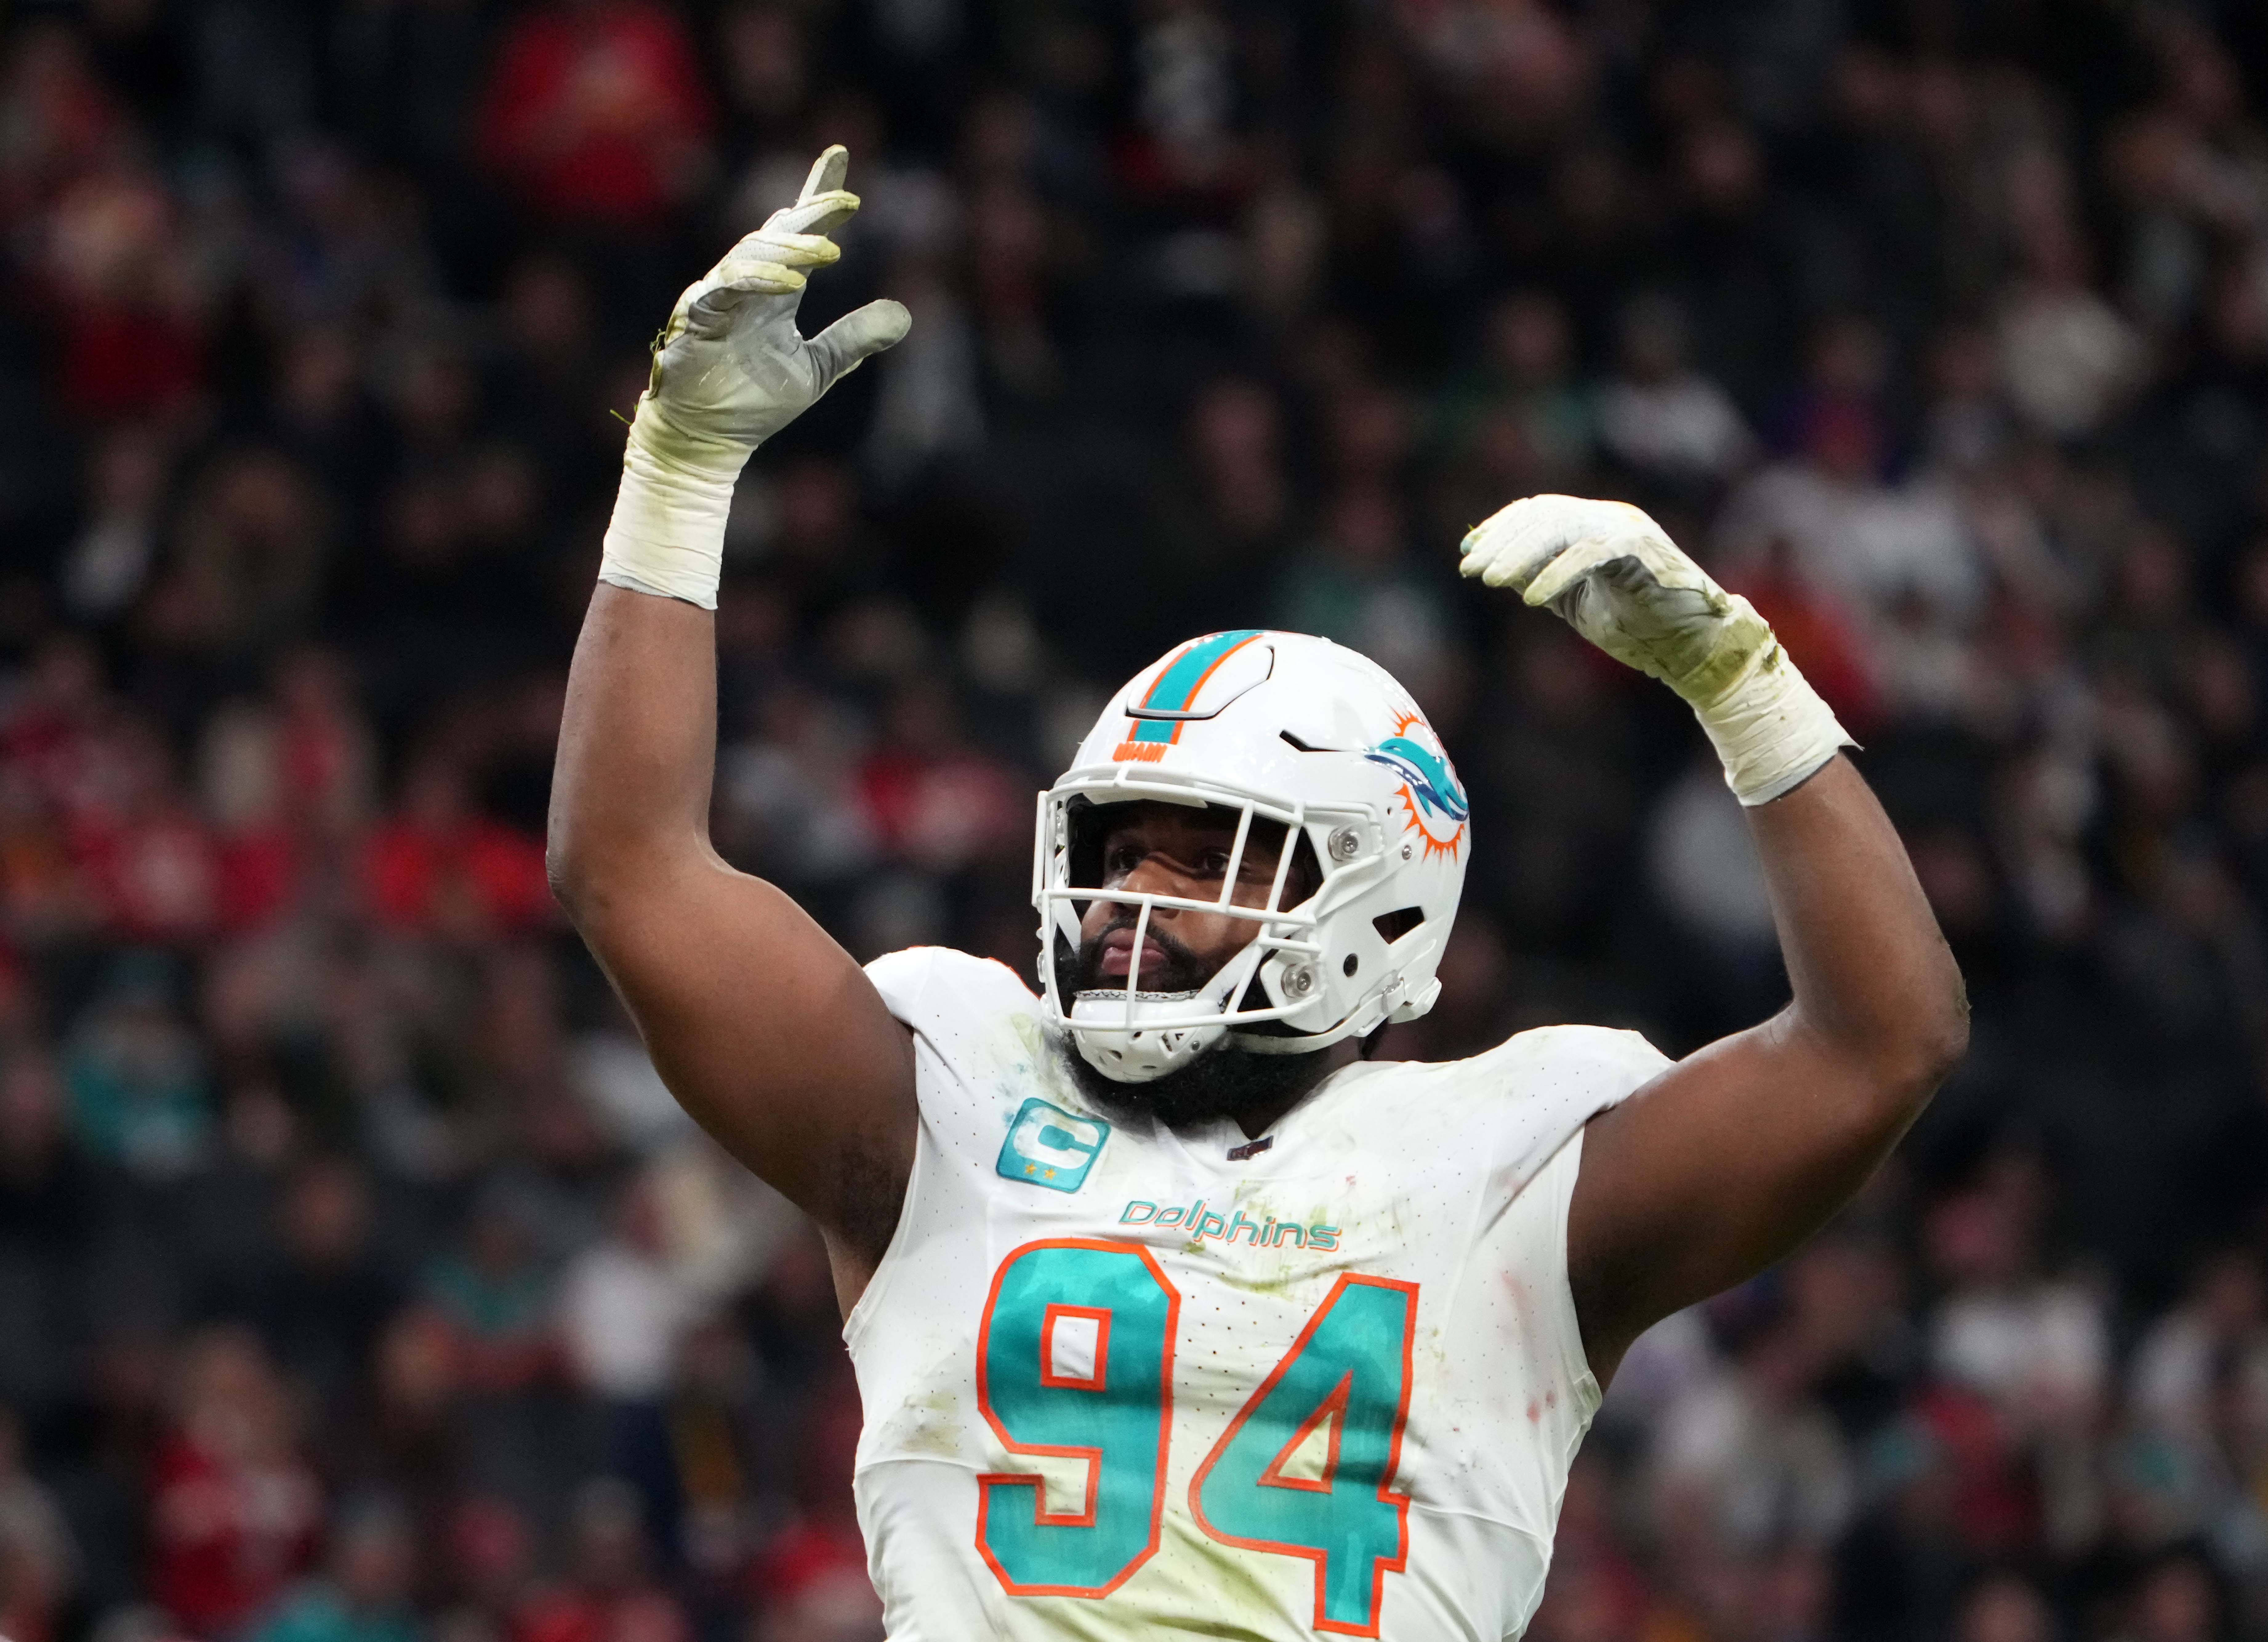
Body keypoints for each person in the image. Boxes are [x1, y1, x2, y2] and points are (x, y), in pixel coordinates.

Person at [547, 148, 1968, 1641]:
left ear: (1379, 904)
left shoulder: (1510, 1163)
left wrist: (1749, 694)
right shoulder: (948, 1091)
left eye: (1203, 855)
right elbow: (630, 869)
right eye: (1115, 851)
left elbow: (1887, 1043)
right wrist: (678, 476)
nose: (1128, 903)